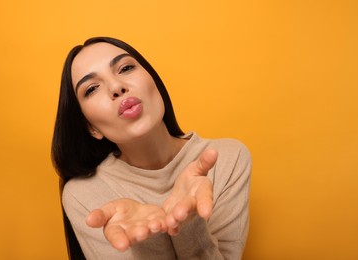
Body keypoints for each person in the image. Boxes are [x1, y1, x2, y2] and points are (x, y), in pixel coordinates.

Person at [51, 36, 251, 260]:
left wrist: (187, 224)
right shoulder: (85, 195)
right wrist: (149, 238)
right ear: (91, 128)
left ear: (154, 82)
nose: (116, 87)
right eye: (92, 89)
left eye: (125, 68)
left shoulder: (228, 158)